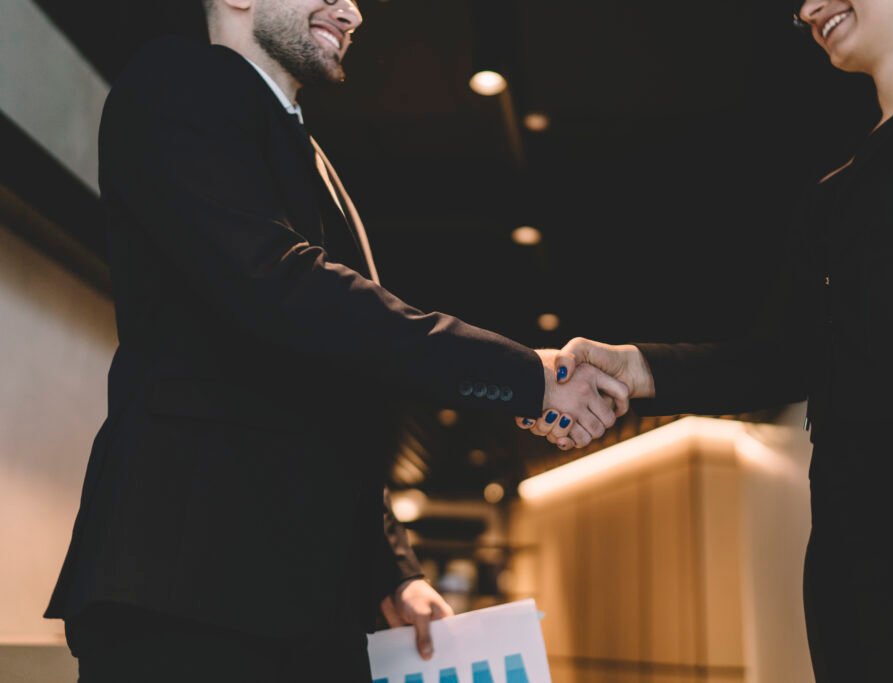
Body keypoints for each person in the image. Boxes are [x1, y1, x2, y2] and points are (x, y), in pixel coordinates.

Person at [42, 0, 628, 680]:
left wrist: (392, 571)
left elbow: (336, 387)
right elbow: (282, 291)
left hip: (304, 608)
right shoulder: (180, 84)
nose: (352, 11)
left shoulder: (308, 153)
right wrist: (531, 373)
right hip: (193, 589)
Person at [523, 1, 893, 681]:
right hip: (855, 571)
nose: (808, 8)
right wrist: (635, 368)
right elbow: (785, 358)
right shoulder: (837, 191)